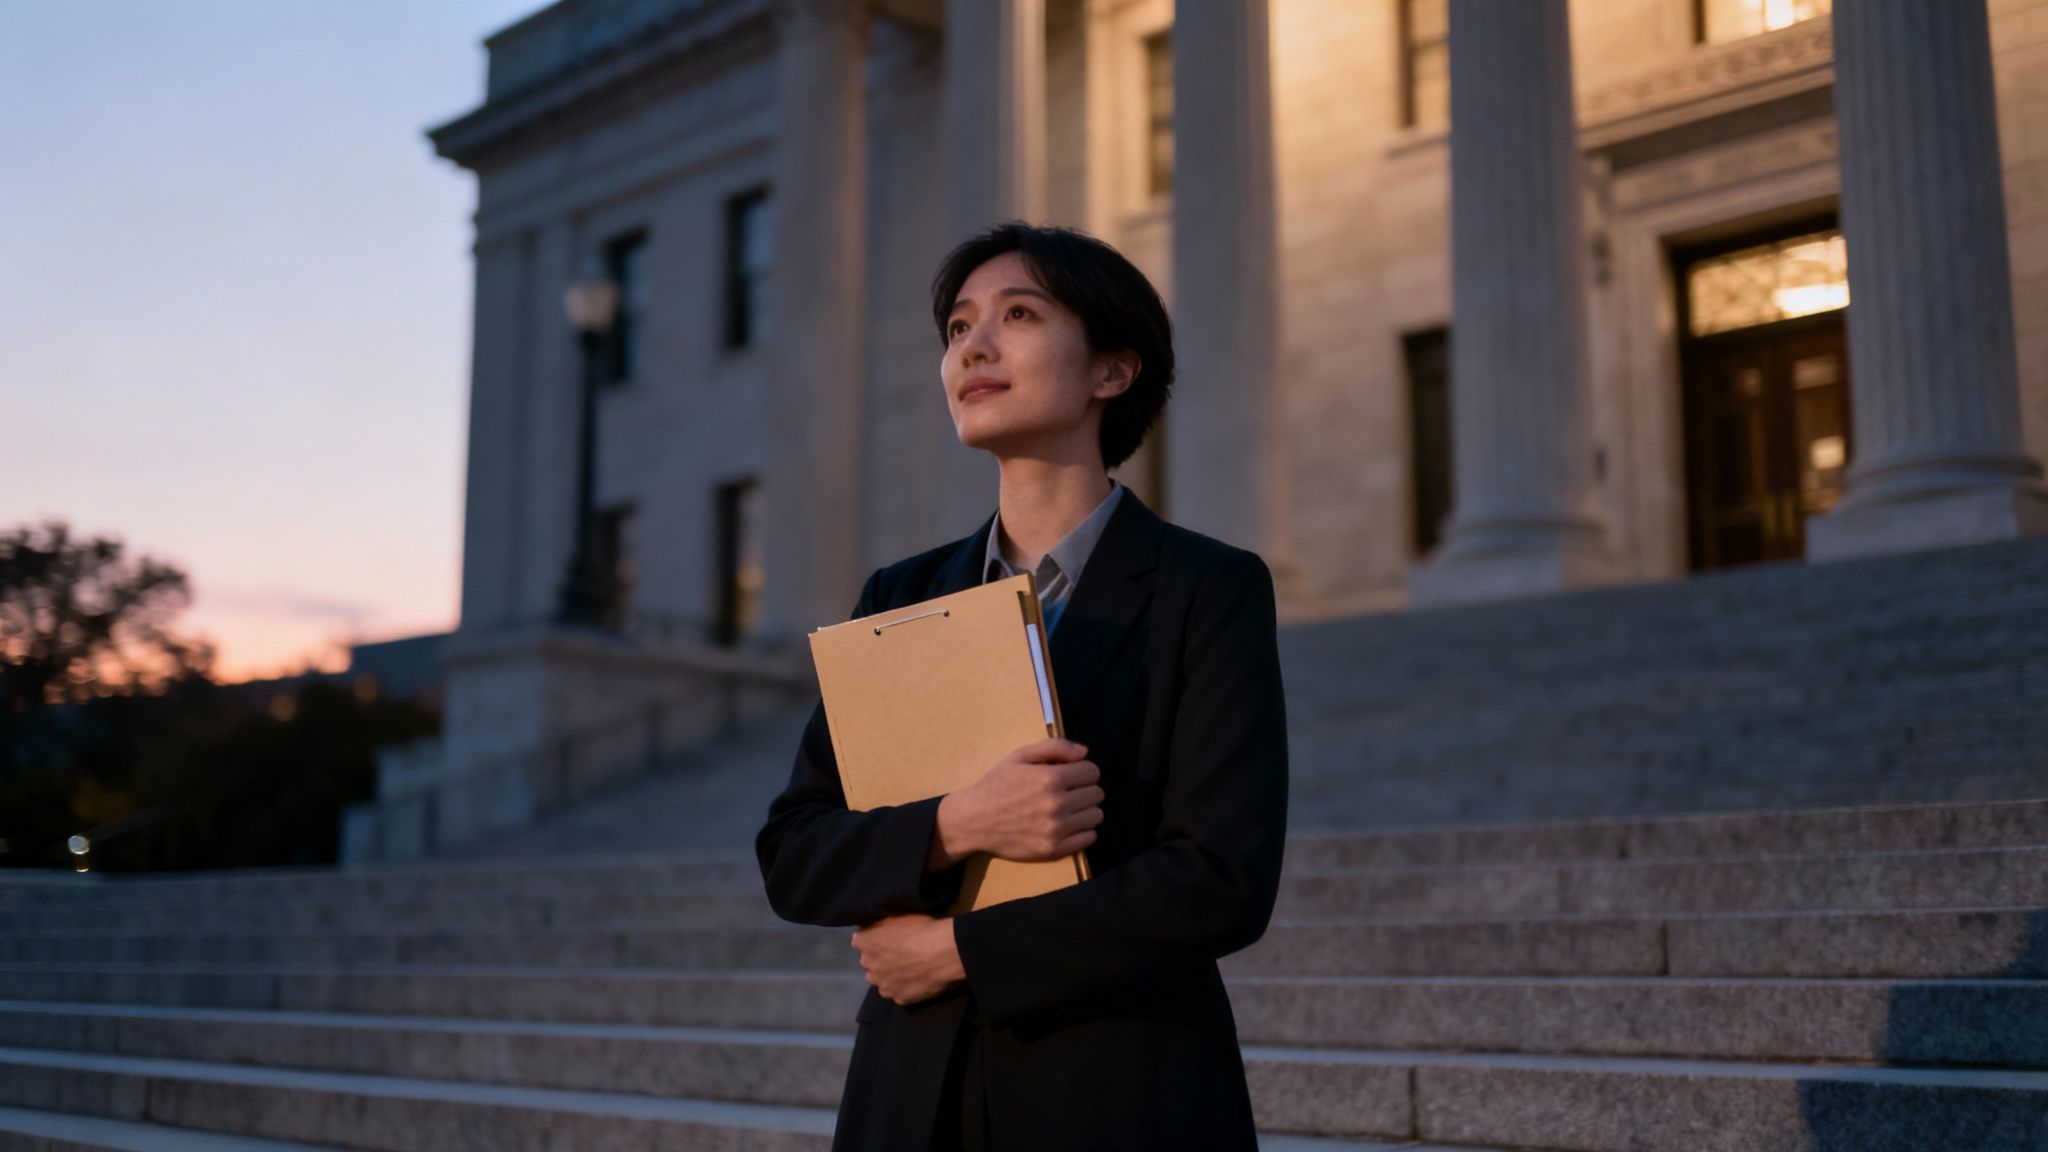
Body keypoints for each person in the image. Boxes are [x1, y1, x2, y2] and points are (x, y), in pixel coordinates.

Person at [754, 220, 1290, 1152]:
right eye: (958, 328)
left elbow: (1220, 879)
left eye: (1019, 314)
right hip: (909, 1091)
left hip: (1118, 1090)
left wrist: (956, 950)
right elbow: (795, 851)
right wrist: (958, 824)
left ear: (1111, 372)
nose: (974, 347)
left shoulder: (1209, 586)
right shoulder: (901, 595)